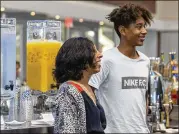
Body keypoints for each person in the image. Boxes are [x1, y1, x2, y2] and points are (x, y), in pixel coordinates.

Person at [89, 3, 153, 133]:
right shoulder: (106, 59)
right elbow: (89, 93)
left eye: (144, 27)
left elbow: (143, 96)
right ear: (123, 30)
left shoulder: (145, 61)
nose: (144, 31)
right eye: (139, 27)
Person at [52, 37, 106, 133]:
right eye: (94, 51)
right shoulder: (68, 92)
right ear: (80, 57)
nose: (100, 55)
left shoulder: (89, 88)